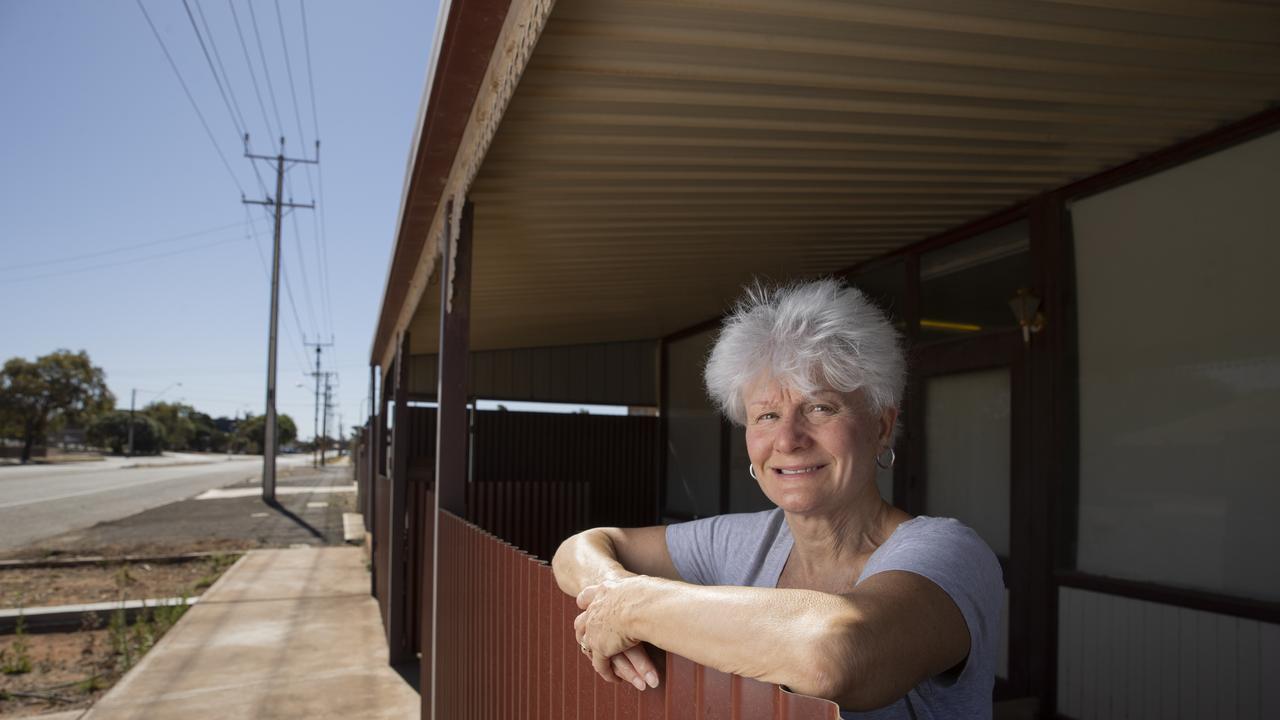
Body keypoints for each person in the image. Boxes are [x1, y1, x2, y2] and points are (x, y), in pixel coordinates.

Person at [552, 278, 1004, 718]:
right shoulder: (744, 539)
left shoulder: (949, 553)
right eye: (766, 415)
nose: (788, 440)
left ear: (882, 426)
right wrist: (610, 590)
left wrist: (632, 608)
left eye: (820, 407)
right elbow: (579, 548)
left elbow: (832, 654)